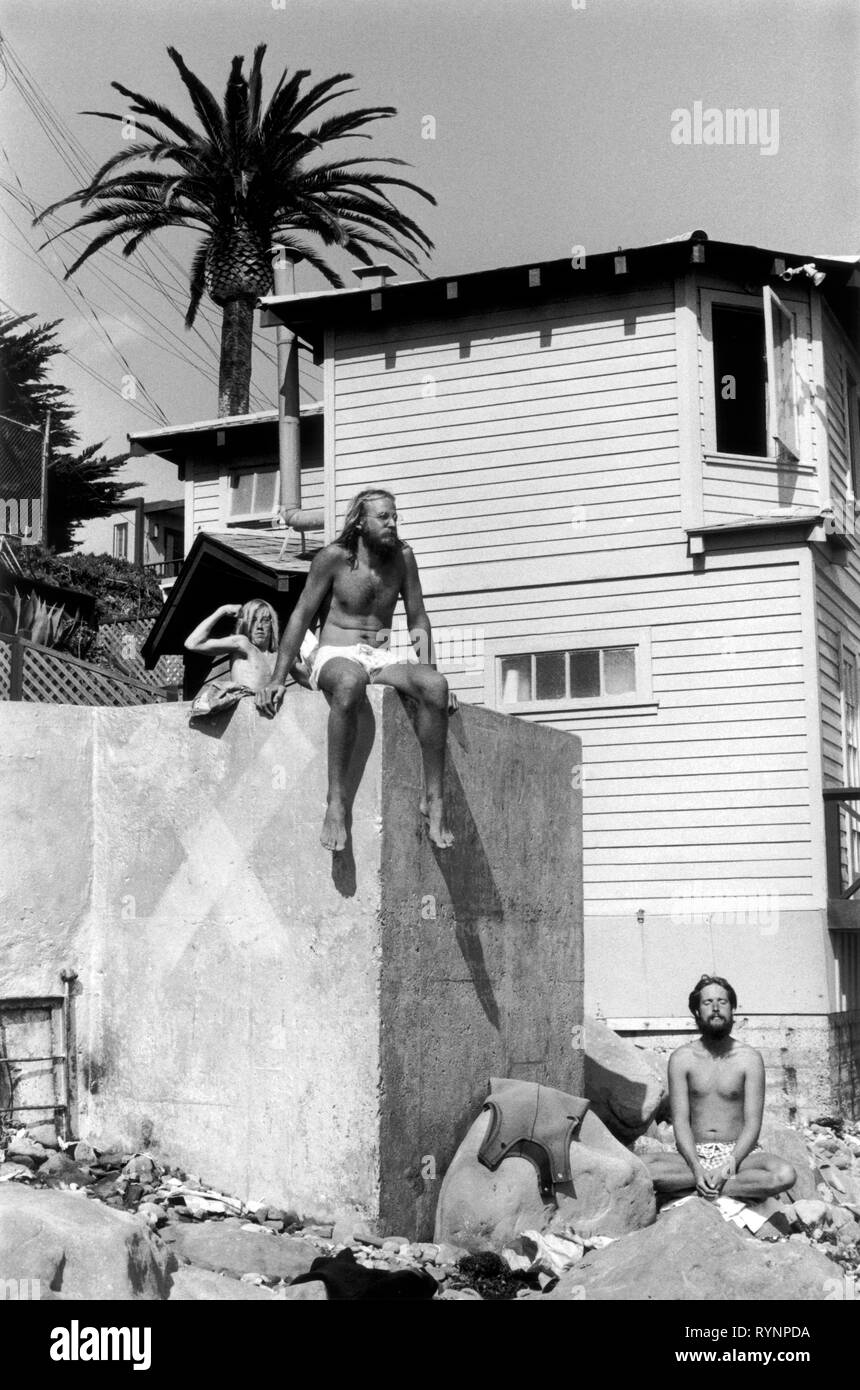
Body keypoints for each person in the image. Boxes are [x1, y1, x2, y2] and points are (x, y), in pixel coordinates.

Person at [256, 488, 458, 853]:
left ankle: (434, 800)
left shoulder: (402, 559)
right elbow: (301, 614)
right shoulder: (333, 558)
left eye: (395, 517)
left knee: (436, 687)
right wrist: (277, 677)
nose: (393, 523)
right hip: (335, 651)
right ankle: (336, 801)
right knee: (350, 682)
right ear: (360, 521)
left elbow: (418, 618)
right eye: (384, 517)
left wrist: (430, 669)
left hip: (378, 656)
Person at [642, 975, 796, 1203]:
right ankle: (716, 1183)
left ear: (732, 1009)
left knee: (784, 1175)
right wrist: (696, 1167)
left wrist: (726, 1168)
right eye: (707, 1003)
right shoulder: (681, 1059)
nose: (715, 1008)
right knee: (637, 1168)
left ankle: (705, 1189)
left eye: (722, 1002)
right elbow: (681, 1121)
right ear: (696, 1011)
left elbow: (753, 1124)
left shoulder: (749, 1059)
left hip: (738, 1156)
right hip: (693, 1153)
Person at [185, 599, 310, 718]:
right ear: (245, 624)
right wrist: (222, 610)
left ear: (272, 625)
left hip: (273, 722)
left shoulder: (282, 657)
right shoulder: (243, 644)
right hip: (244, 718)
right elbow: (192, 643)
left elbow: (313, 684)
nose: (259, 626)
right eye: (253, 620)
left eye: (265, 620)